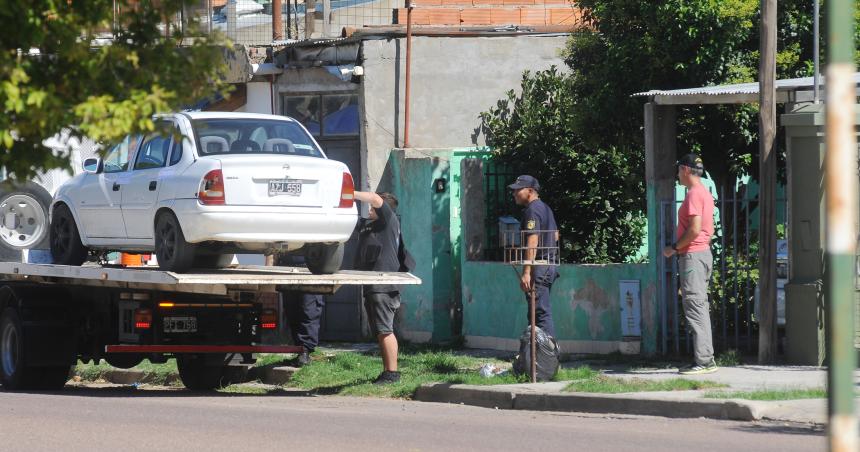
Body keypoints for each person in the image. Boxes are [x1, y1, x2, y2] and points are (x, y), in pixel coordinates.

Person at [662, 154, 717, 375]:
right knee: (699, 305)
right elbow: (708, 231)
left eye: (678, 170)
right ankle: (704, 358)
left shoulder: (694, 194)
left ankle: (704, 361)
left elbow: (694, 229)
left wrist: (674, 248)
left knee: (694, 306)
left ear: (686, 169)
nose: (677, 175)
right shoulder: (705, 192)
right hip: (702, 254)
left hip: (693, 256)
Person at [353, 190, 403, 384]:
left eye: (373, 207)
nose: (370, 208)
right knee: (380, 331)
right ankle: (387, 372)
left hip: (384, 285)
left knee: (385, 330)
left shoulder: (388, 221)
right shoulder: (370, 226)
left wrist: (348, 192)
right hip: (372, 285)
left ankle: (392, 374)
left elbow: (375, 198)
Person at [508, 175, 559, 338]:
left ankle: (546, 357)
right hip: (548, 265)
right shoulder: (545, 208)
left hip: (539, 267)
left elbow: (533, 240)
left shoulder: (532, 209)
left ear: (530, 191)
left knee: (539, 314)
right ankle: (537, 356)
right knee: (537, 311)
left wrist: (527, 272)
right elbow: (556, 235)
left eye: (517, 190)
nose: (514, 194)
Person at [277, 254, 324, 367]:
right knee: (291, 310)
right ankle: (299, 350)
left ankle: (305, 351)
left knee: (308, 310)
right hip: (286, 267)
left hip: (311, 267)